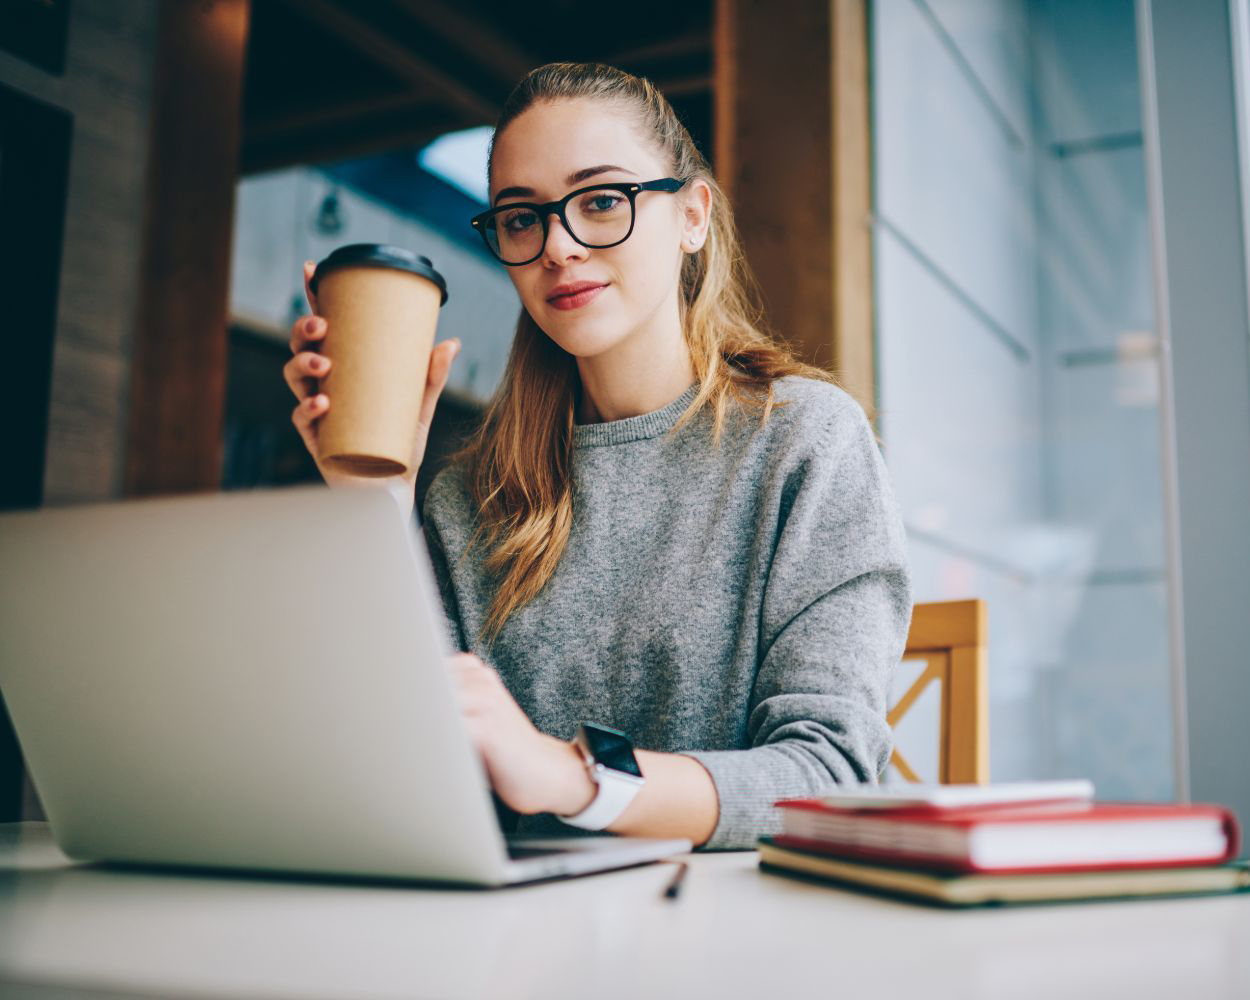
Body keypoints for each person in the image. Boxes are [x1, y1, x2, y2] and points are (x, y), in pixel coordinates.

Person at [283, 62, 912, 851]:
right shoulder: (464, 498)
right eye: (521, 218)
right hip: (514, 948)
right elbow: (416, 779)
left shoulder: (805, 442)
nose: (558, 245)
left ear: (692, 216)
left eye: (602, 201)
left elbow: (830, 777)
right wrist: (371, 500)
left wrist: (573, 776)